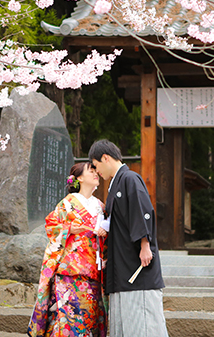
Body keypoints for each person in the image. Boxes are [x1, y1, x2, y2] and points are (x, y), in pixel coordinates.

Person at [89, 139, 169, 337]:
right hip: (122, 265)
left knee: (144, 322)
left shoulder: (129, 178)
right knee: (127, 324)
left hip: (136, 264)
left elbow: (141, 211)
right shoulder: (117, 183)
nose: (96, 172)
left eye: (96, 166)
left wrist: (144, 244)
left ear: (105, 158)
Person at [28, 162, 108, 337]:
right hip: (69, 271)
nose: (96, 174)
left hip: (94, 271)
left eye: (96, 171)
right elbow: (51, 225)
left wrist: (104, 232)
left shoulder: (101, 206)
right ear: (79, 178)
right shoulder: (68, 202)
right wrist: (69, 229)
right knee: (68, 320)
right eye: (91, 171)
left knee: (89, 320)